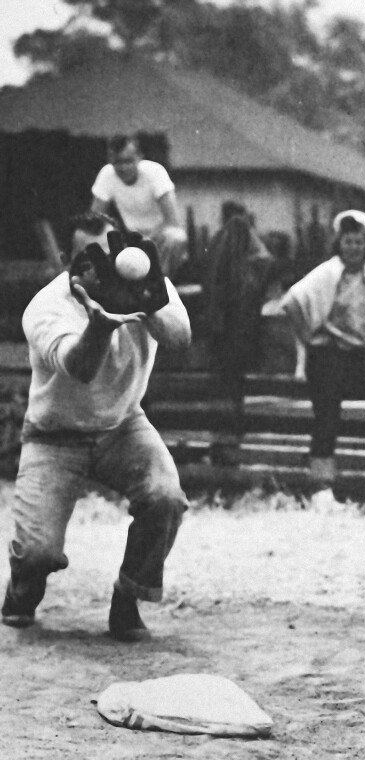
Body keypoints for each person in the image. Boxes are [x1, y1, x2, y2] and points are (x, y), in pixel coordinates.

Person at [1, 219, 192, 641]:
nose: (103, 265)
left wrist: (151, 306)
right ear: (67, 262)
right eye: (89, 258)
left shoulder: (149, 284)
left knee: (165, 497)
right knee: (37, 553)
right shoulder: (46, 306)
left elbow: (181, 339)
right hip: (54, 435)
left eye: (108, 254)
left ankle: (128, 598)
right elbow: (80, 368)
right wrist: (101, 324)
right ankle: (22, 591)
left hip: (123, 424)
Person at [261, 209, 365, 495]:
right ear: (339, 244)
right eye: (348, 241)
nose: (353, 248)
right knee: (327, 412)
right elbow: (291, 302)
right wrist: (308, 339)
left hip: (361, 358)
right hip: (327, 355)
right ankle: (322, 485)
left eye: (359, 242)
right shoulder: (326, 273)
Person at [205, 203, 275, 464]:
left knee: (225, 385)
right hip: (239, 329)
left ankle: (224, 445)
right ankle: (226, 445)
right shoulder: (242, 243)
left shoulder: (223, 240)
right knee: (230, 385)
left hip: (225, 330)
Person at [91, 134, 188, 278]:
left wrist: (148, 238)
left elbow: (173, 221)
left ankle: (160, 280)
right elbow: (95, 219)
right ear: (110, 160)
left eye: (128, 161)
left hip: (159, 237)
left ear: (139, 157)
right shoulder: (107, 174)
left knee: (176, 236)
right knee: (90, 236)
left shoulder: (155, 172)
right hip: (130, 237)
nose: (123, 168)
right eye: (117, 162)